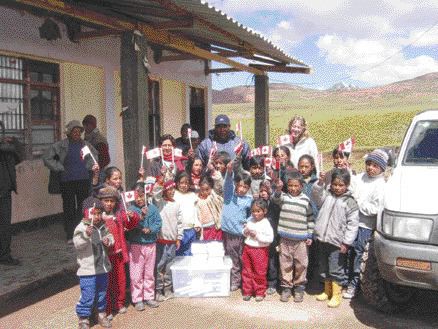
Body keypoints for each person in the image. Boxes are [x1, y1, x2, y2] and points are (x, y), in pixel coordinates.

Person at [43, 120, 98, 244]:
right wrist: (58, 167)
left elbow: (95, 156)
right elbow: (47, 158)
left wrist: (89, 166)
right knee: (69, 208)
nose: (77, 134)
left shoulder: (85, 145)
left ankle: (82, 232)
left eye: (79, 131)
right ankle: (70, 234)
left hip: (83, 180)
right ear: (69, 133)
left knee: (83, 207)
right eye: (74, 131)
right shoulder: (61, 145)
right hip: (67, 181)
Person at [343, 149, 387, 299]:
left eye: (375, 165)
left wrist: (358, 202)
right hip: (351, 222)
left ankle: (355, 283)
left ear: (382, 168)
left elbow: (374, 209)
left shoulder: (381, 185)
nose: (371, 168)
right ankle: (345, 280)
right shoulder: (360, 177)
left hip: (365, 226)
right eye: (369, 164)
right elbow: (350, 188)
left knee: (359, 254)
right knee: (348, 251)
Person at [312, 168, 359, 308]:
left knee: (336, 269)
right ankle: (327, 291)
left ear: (347, 185)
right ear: (330, 184)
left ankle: (336, 294)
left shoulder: (350, 202)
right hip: (322, 239)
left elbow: (353, 224)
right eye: (335, 184)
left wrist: (347, 242)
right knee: (323, 266)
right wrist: (320, 182)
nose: (337, 188)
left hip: (337, 243)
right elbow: (316, 194)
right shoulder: (327, 195)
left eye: (341, 185)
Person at [97, 186, 140, 319]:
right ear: (101, 202)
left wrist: (132, 217)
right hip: (106, 257)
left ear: (116, 202)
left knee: (120, 281)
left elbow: (131, 224)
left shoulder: (119, 215)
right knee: (107, 283)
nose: (109, 204)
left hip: (119, 254)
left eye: (112, 201)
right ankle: (108, 308)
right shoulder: (99, 218)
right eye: (106, 201)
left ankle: (119, 303)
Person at [273, 171, 314, 303]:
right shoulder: (284, 197)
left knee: (302, 264)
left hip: (301, 240)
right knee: (285, 264)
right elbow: (275, 199)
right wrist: (278, 190)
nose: (293, 188)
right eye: (290, 185)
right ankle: (286, 287)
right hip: (285, 239)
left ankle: (299, 288)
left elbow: (310, 219)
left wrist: (309, 234)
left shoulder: (305, 200)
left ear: (301, 186)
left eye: (296, 186)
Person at [73, 201, 114, 329]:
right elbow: (78, 244)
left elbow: (110, 237)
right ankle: (84, 317)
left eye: (98, 214)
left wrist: (109, 241)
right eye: (93, 213)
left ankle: (101, 313)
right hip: (88, 270)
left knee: (102, 292)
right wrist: (86, 235)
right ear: (86, 213)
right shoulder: (81, 227)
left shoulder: (103, 226)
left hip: (102, 267)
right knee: (88, 294)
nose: (96, 217)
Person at [127, 183, 162, 311]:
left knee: (149, 273)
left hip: (151, 244)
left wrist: (151, 229)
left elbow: (159, 222)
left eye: (142, 195)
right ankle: (137, 299)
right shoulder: (131, 210)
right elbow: (130, 225)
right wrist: (139, 217)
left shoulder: (153, 208)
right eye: (137, 196)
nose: (139, 199)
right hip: (136, 244)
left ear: (146, 195)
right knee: (136, 274)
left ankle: (149, 296)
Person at [221, 161, 252, 291]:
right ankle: (234, 281)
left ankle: (243, 281)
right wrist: (229, 172)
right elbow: (227, 184)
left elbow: (252, 214)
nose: (241, 189)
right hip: (228, 233)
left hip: (240, 234)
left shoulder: (249, 200)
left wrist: (248, 222)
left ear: (248, 188)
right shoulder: (229, 196)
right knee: (231, 258)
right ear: (235, 185)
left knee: (242, 258)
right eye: (239, 186)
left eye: (245, 187)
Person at [152, 180, 183, 302]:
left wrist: (179, 237)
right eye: (169, 189)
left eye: (173, 189)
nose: (172, 191)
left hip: (172, 242)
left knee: (169, 266)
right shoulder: (160, 203)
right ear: (164, 190)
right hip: (160, 241)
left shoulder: (177, 204)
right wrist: (161, 181)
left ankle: (168, 289)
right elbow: (156, 192)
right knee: (159, 266)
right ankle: (158, 290)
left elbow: (180, 223)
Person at [241, 199, 274, 302]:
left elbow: (270, 239)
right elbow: (244, 231)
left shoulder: (266, 223)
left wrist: (257, 236)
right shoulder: (250, 219)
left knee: (259, 272)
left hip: (260, 250)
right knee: (247, 271)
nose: (255, 214)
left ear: (264, 211)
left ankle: (259, 292)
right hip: (248, 248)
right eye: (253, 211)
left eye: (258, 211)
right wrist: (245, 232)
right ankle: (247, 291)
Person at [0, 134, 23, 265]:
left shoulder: (6, 151)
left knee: (4, 226)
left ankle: (4, 254)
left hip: (4, 191)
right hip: (4, 191)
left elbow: (20, 156)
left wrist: (15, 141)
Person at [258, 181, 281, 295]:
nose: (263, 193)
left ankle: (272, 283)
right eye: (261, 191)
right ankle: (261, 282)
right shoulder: (256, 204)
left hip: (273, 239)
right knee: (262, 261)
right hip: (259, 239)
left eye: (266, 191)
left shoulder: (274, 204)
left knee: (272, 262)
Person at [173, 171, 201, 256]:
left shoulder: (192, 195)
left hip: (191, 230)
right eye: (181, 183)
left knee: (189, 255)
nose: (184, 185)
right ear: (177, 183)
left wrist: (197, 223)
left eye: (186, 183)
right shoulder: (174, 194)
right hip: (178, 232)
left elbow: (196, 211)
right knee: (177, 255)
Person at [197, 175, 224, 241]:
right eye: (202, 190)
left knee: (215, 246)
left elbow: (220, 201)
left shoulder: (213, 197)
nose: (205, 192)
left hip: (215, 227)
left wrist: (212, 192)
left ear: (211, 188)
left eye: (207, 189)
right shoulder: (198, 200)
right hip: (204, 228)